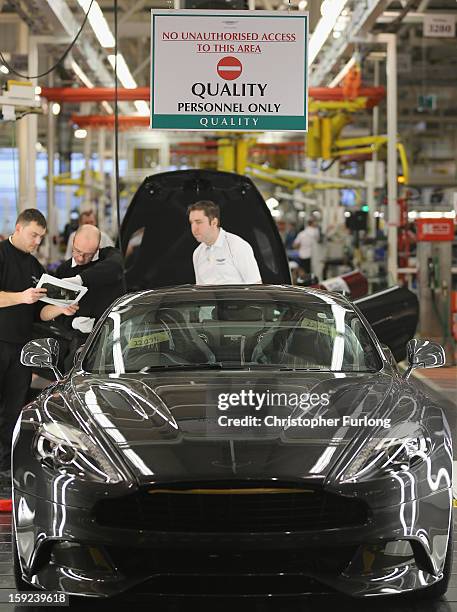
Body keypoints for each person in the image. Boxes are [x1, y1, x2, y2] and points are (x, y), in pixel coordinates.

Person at [0, 209, 78, 474]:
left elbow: (41, 312)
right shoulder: (1, 255)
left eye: (41, 237)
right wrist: (21, 297)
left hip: (22, 349)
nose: (37, 242)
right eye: (34, 235)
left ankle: (6, 467)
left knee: (14, 409)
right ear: (19, 228)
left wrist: (60, 308)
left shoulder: (35, 268)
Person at [54, 224, 126, 369]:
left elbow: (116, 267)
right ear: (73, 242)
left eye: (88, 254)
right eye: (77, 251)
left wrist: (80, 279)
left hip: (114, 335)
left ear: (97, 248)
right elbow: (57, 309)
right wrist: (72, 323)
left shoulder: (110, 256)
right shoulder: (64, 271)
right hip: (80, 341)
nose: (80, 258)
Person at [188, 200, 262, 285]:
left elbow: (256, 286)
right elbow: (200, 291)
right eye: (191, 223)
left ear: (214, 222)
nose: (193, 228)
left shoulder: (237, 246)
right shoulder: (197, 254)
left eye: (198, 222)